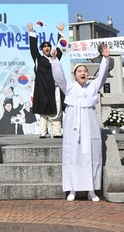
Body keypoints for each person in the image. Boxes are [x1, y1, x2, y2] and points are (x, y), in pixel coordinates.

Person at [51, 44, 110, 202]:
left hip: (89, 122)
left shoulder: (92, 87)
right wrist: (55, 60)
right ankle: (72, 189)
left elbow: (102, 76)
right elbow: (59, 77)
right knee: (73, 155)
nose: (82, 73)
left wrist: (105, 59)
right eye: (79, 71)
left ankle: (91, 190)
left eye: (84, 71)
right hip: (73, 124)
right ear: (75, 74)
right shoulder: (69, 88)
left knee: (91, 154)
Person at [28, 22, 66, 138]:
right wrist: (31, 32)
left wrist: (60, 32)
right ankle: (43, 132)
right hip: (42, 88)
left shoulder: (55, 58)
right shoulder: (38, 58)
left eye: (48, 46)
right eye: (44, 47)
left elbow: (60, 47)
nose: (47, 48)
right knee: (43, 111)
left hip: (54, 88)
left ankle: (56, 131)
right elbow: (33, 49)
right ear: (42, 49)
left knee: (56, 110)